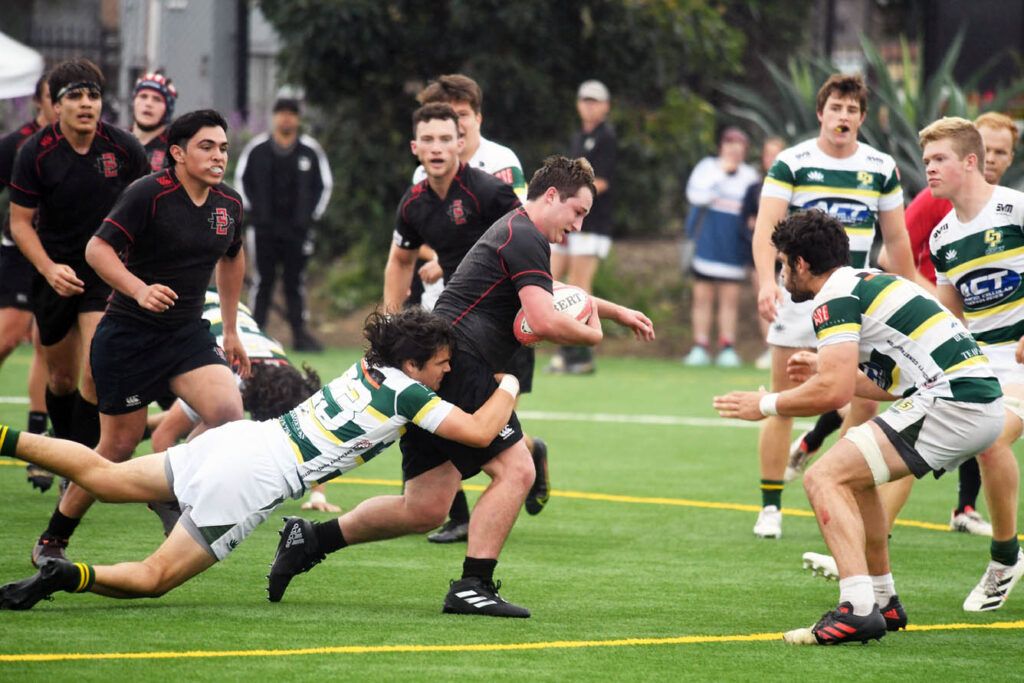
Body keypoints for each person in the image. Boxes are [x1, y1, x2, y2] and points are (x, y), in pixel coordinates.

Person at [267, 156, 655, 618]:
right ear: (552, 196)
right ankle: (474, 584)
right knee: (518, 470)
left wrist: (614, 311)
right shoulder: (524, 234)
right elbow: (547, 319)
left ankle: (309, 539)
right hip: (462, 362)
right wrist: (595, 335)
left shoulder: (518, 231)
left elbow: (553, 291)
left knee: (425, 507)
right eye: (578, 212)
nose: (578, 224)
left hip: (442, 363)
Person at [0, 308, 519, 610]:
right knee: (155, 578)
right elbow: (479, 432)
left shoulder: (369, 365)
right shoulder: (409, 393)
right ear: (411, 362)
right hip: (252, 480)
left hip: (240, 440)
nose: (446, 373)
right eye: (441, 363)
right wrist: (511, 382)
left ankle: (5, 437)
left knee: (104, 476)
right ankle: (70, 576)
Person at [714, 210, 1005, 644]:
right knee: (857, 475)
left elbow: (833, 393)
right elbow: (889, 384)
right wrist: (828, 368)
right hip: (974, 398)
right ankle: (883, 600)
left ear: (801, 264)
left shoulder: (833, 298)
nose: (781, 275)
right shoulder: (866, 283)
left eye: (783, 264)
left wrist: (765, 404)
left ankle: (857, 608)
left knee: (822, 477)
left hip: (954, 401)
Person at [27, 109, 249, 567]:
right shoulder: (148, 193)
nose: (218, 156)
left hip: (186, 334)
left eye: (224, 148)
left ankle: (166, 486)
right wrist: (139, 289)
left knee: (228, 415)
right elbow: (97, 249)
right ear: (177, 153)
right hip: (128, 337)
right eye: (207, 147)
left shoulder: (229, 204)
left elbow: (233, 257)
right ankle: (53, 538)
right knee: (115, 449)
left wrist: (230, 329)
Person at [749, 73, 919, 539]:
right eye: (836, 108)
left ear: (862, 118)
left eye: (852, 110)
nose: (843, 116)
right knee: (782, 400)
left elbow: (897, 238)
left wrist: (908, 293)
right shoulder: (793, 162)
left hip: (855, 302)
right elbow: (766, 228)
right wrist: (766, 283)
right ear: (820, 113)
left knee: (861, 405)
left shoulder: (880, 167)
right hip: (798, 295)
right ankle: (770, 507)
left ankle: (841, 493)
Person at [411, 76, 551, 539]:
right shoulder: (424, 174)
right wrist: (437, 258)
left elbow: (517, 231)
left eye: (460, 115)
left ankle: (528, 454)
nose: (451, 127)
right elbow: (419, 233)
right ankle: (458, 514)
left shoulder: (500, 166)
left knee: (489, 417)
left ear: (475, 118)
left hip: (495, 314)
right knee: (445, 409)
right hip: (441, 310)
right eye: (441, 118)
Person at [9, 58, 148, 457]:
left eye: (93, 95)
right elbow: (20, 224)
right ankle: (68, 449)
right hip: (55, 274)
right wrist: (49, 268)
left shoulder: (124, 148)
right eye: (75, 96)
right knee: (61, 379)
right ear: (56, 105)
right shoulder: (35, 153)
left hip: (106, 271)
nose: (86, 103)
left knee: (96, 369)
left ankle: (81, 465)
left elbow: (148, 206)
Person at [147, 288, 339, 527]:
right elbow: (163, 437)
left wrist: (318, 495)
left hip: (226, 311)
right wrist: (171, 496)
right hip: (179, 303)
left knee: (214, 423)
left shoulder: (293, 382)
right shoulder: (224, 381)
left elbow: (310, 434)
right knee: (208, 424)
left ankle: (148, 425)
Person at [235, 97, 333, 352]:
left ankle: (300, 336)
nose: (286, 118)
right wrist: (253, 214)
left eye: (291, 113)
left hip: (298, 230)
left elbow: (324, 186)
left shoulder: (310, 151)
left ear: (298, 119)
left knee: (295, 282)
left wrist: (310, 218)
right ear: (274, 117)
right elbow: (241, 181)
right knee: (262, 281)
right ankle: (254, 333)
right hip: (263, 229)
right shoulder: (257, 149)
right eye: (281, 112)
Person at [0, 75, 58, 491]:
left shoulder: (83, 147)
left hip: (61, 256)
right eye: (59, 96)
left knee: (48, 346)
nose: (68, 103)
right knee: (9, 335)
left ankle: (38, 442)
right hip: (20, 252)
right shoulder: (16, 144)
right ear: (40, 101)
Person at [549, 79, 618, 375]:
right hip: (569, 221)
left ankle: (581, 352)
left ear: (606, 106)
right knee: (550, 279)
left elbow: (601, 182)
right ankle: (565, 348)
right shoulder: (579, 137)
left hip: (592, 223)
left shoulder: (606, 138)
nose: (589, 106)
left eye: (595, 101)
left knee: (578, 285)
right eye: (585, 101)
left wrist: (570, 200)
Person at [682, 126, 759, 367]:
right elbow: (696, 196)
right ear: (721, 147)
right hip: (707, 242)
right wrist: (722, 174)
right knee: (702, 297)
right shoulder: (707, 168)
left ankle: (727, 346)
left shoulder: (750, 176)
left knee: (729, 299)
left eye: (739, 146)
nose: (734, 150)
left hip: (733, 246)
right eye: (729, 144)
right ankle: (700, 345)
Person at [741, 136, 786, 370]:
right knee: (766, 301)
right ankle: (770, 347)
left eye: (776, 154)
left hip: (787, 258)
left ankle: (790, 347)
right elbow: (748, 221)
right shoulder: (754, 189)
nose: (772, 159)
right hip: (762, 256)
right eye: (768, 154)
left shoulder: (793, 186)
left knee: (789, 304)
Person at [130, 71, 177, 172]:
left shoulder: (176, 150)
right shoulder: (114, 142)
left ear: (168, 109)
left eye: (157, 99)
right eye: (143, 96)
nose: (148, 104)